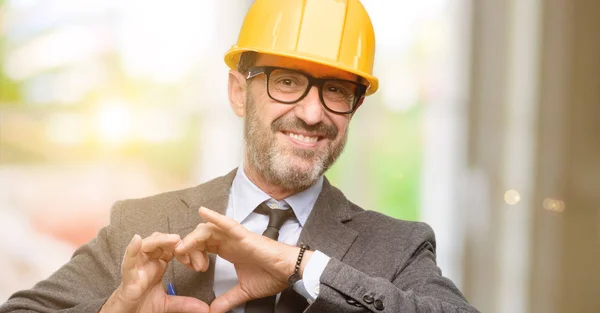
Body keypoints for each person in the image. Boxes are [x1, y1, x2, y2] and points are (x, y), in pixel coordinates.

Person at [1, 0, 479, 312]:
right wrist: (116, 308)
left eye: (335, 90)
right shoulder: (141, 224)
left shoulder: (397, 247)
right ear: (238, 92)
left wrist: (299, 265)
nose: (313, 113)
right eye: (287, 82)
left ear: (355, 107)